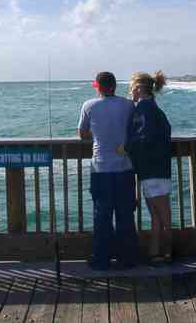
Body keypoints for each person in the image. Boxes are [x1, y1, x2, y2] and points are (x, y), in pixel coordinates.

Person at [78, 71, 138, 271]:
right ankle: (127, 258)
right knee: (125, 215)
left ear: (98, 86)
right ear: (115, 86)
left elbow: (82, 134)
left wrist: (97, 135)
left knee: (101, 215)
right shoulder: (128, 105)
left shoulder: (89, 105)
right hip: (125, 168)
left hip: (101, 168)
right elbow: (134, 129)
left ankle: (101, 260)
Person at [118, 70, 172, 265]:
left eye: (131, 87)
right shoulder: (153, 109)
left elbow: (144, 137)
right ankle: (155, 253)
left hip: (152, 170)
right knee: (157, 216)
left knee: (163, 217)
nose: (130, 91)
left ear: (139, 88)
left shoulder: (144, 109)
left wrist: (126, 147)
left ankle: (168, 251)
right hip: (158, 168)